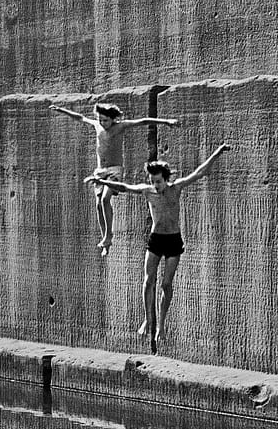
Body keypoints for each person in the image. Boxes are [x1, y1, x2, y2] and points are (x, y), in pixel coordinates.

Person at [90, 144, 231, 348]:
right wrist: (101, 181)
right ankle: (148, 319)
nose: (155, 185)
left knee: (166, 284)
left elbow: (200, 172)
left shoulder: (177, 188)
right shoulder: (148, 191)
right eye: (152, 181)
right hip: (156, 239)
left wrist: (217, 153)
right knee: (148, 281)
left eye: (158, 181)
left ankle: (161, 325)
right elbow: (124, 187)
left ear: (166, 179)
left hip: (173, 240)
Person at [50, 102, 180, 256]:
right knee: (99, 204)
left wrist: (166, 121)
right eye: (100, 119)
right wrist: (61, 110)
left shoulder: (120, 126)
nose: (102, 123)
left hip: (114, 170)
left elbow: (143, 121)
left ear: (113, 119)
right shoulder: (97, 126)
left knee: (105, 199)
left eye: (105, 120)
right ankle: (106, 240)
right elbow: (80, 118)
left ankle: (108, 235)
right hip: (100, 171)